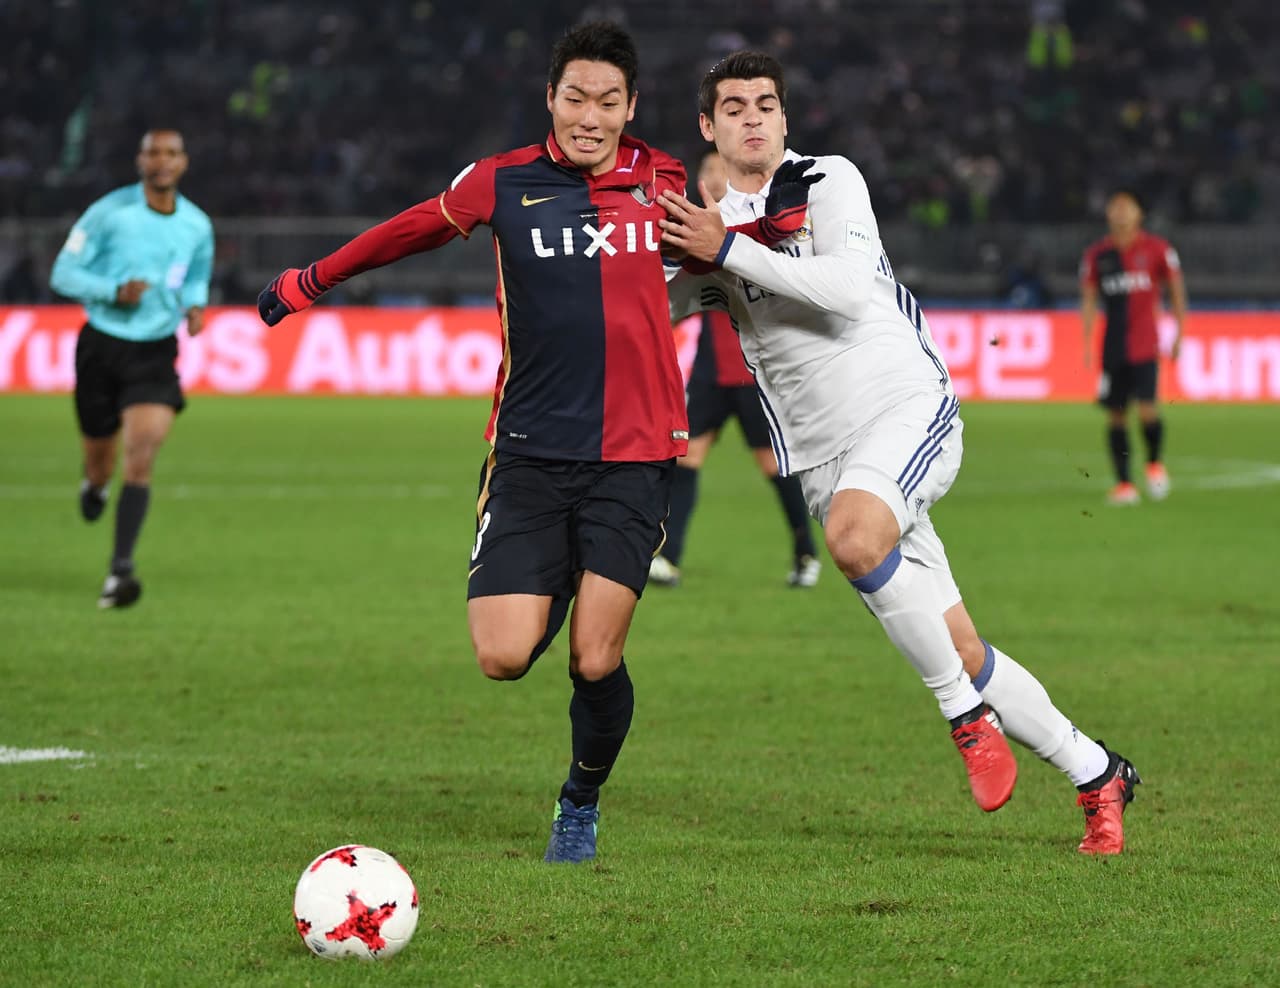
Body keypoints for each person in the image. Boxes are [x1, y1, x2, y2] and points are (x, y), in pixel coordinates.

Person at [658, 51, 1141, 855]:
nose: (753, 117)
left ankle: (961, 715)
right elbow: (655, 313)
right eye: (734, 107)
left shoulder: (827, 180)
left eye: (766, 103)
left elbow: (848, 289)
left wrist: (727, 248)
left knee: (853, 540)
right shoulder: (704, 237)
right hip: (822, 457)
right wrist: (660, 264)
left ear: (784, 117)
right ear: (708, 128)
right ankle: (1098, 772)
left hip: (903, 408)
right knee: (959, 643)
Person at [256, 23, 694, 865]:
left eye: (609, 102)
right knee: (501, 657)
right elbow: (412, 227)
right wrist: (312, 280)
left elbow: (734, 240)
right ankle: (569, 570)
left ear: (631, 108)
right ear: (550, 100)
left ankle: (579, 800)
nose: (590, 117)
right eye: (576, 98)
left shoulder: (667, 182)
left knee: (595, 659)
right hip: (528, 450)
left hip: (635, 456)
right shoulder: (502, 181)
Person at [49, 129, 214, 609]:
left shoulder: (197, 225)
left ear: (183, 162)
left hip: (154, 351)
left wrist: (196, 305)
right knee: (102, 462)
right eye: (153, 152)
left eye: (171, 153)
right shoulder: (108, 214)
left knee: (140, 457)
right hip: (101, 347)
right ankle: (93, 485)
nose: (162, 161)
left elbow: (198, 273)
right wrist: (112, 289)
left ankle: (120, 572)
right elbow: (63, 272)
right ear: (139, 160)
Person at [649, 149, 821, 590]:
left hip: (752, 372)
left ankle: (805, 554)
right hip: (710, 369)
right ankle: (668, 556)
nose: (709, 177)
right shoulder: (693, 232)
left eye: (717, 171)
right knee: (686, 460)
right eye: (704, 170)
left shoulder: (756, 230)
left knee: (774, 468)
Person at [1080, 188, 1187, 505]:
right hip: (1113, 346)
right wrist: (1086, 341)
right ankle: (1125, 484)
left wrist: (1180, 333)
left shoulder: (1157, 250)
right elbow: (1088, 299)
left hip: (1145, 344)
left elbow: (1176, 291)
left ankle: (1154, 463)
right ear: (1108, 214)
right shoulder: (1098, 255)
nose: (1121, 212)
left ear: (1139, 214)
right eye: (1115, 207)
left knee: (1147, 409)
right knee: (1115, 415)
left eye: (1127, 207)